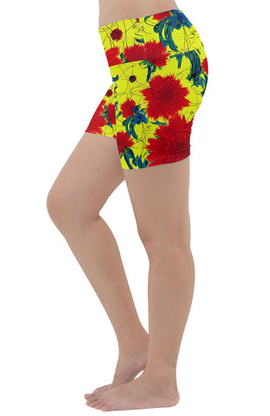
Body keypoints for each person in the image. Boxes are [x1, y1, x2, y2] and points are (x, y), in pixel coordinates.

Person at [46, 0, 209, 411]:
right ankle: (135, 342)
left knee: (164, 237)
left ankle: (160, 381)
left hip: (158, 58)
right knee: (69, 204)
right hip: (131, 61)